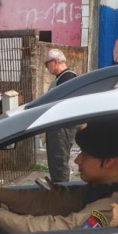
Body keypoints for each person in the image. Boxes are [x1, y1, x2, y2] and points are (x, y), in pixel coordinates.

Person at [0, 117, 118, 234]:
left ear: (109, 162)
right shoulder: (103, 187)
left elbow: (59, 229)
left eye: (85, 155)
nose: (78, 160)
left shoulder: (114, 205)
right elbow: (52, 201)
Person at [44, 49, 78, 183]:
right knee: (56, 162)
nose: (46, 67)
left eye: (47, 63)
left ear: (56, 61)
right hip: (58, 127)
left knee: (59, 162)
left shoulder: (67, 78)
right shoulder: (62, 78)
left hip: (62, 127)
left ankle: (62, 193)